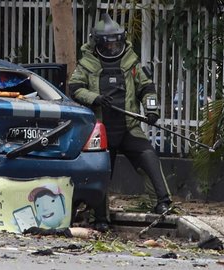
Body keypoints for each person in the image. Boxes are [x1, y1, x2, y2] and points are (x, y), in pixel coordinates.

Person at [69, 14, 172, 232]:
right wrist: (94, 98)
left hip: (129, 126)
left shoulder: (131, 62)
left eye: (116, 44)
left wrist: (151, 109)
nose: (113, 48)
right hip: (101, 130)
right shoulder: (86, 64)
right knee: (103, 172)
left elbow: (147, 88)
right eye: (108, 45)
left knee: (149, 158)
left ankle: (163, 202)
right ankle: (100, 217)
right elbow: (75, 88)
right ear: (97, 43)